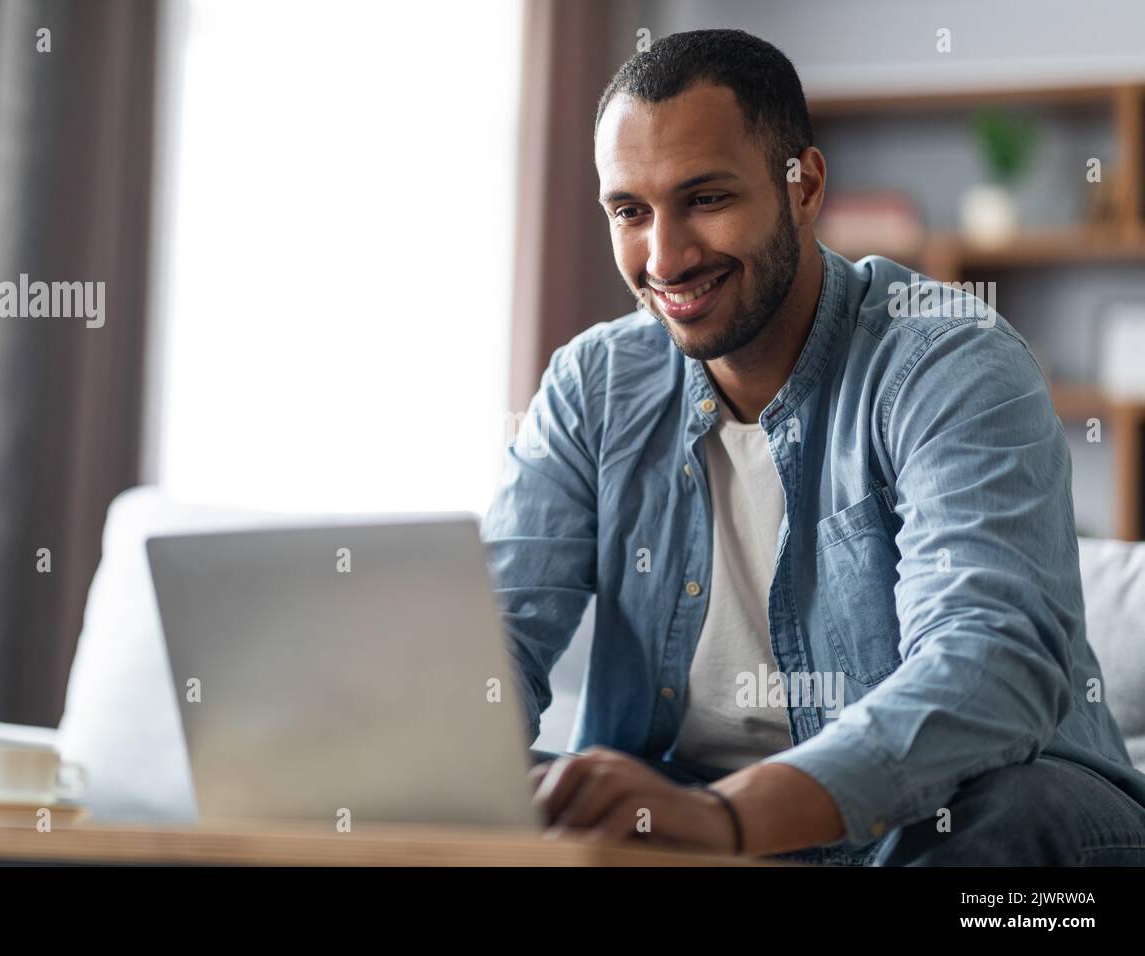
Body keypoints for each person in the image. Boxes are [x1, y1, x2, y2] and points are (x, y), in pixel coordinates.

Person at [483, 29, 1145, 866]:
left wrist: (732, 819)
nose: (666, 256)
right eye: (631, 211)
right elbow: (495, 641)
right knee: (514, 793)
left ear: (805, 186)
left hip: (938, 812)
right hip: (682, 811)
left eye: (706, 199)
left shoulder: (951, 362)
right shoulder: (593, 385)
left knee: (1011, 812)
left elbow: (988, 664)